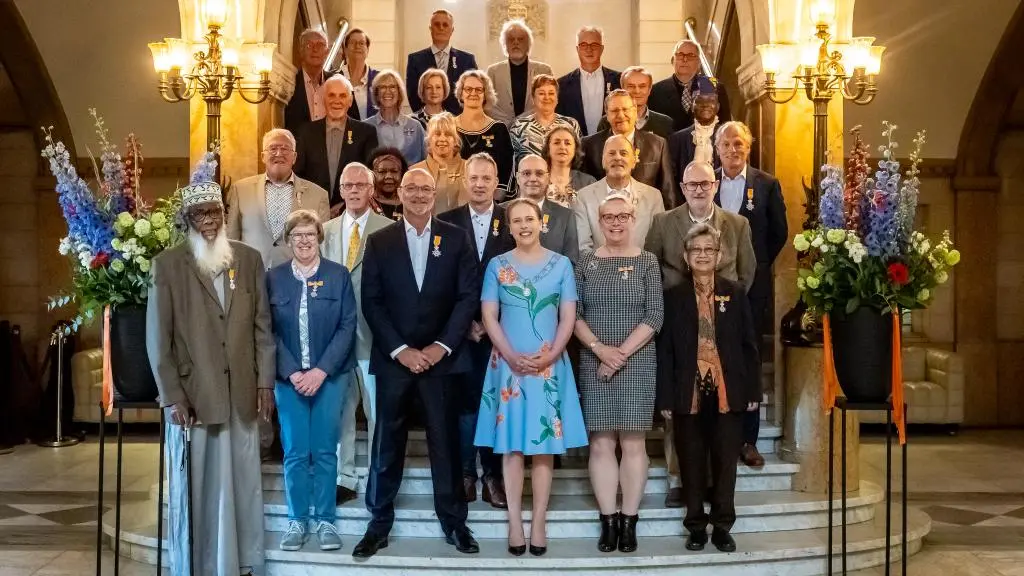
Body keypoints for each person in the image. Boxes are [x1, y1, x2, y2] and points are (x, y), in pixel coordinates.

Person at [147, 181, 274, 575]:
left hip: (241, 395)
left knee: (244, 486)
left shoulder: (249, 260)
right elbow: (157, 338)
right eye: (201, 215)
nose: (210, 222)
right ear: (187, 220)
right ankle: (198, 564)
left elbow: (262, 328)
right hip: (194, 398)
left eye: (215, 214)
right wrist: (171, 396)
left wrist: (265, 383)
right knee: (198, 490)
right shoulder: (168, 265)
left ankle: (244, 562)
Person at [353, 168, 480, 559]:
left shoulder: (456, 239)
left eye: (426, 189)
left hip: (443, 361)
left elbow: (467, 297)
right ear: (400, 193)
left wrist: (442, 346)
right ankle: (378, 523)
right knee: (386, 444)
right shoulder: (380, 241)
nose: (420, 195)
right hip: (395, 361)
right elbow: (371, 301)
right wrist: (400, 350)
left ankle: (454, 522)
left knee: (446, 444)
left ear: (435, 194)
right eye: (412, 189)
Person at [474, 198, 588, 557]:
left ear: (542, 223)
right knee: (511, 447)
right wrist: (510, 356)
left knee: (543, 450)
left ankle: (538, 520)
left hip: (548, 365)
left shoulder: (561, 265)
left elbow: (568, 316)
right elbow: (489, 315)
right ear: (509, 228)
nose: (524, 225)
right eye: (517, 221)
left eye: (530, 219)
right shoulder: (497, 265)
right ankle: (513, 520)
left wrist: (552, 354)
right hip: (508, 366)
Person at [645, 160, 755, 508]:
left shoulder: (737, 224)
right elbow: (651, 267)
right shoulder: (663, 223)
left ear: (716, 185)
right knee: (682, 413)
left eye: (705, 183)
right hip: (677, 325)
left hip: (720, 324)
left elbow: (747, 273)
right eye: (691, 184)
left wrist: (723, 304)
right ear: (682, 186)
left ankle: (714, 490)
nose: (698, 189)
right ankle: (679, 479)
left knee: (720, 424)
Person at [656, 223, 760, 553]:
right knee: (691, 460)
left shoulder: (735, 291)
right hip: (689, 389)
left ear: (720, 255)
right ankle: (696, 526)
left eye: (709, 250)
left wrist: (753, 391)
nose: (702, 255)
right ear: (686, 257)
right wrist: (666, 396)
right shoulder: (673, 297)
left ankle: (722, 526)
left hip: (729, 389)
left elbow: (749, 345)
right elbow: (666, 350)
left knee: (726, 461)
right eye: (696, 250)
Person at [573, 193, 664, 554]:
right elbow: (573, 313)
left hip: (636, 361)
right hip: (594, 359)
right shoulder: (584, 262)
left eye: (622, 215)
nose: (615, 222)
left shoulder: (647, 261)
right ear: (598, 220)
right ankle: (608, 520)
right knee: (601, 442)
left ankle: (629, 521)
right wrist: (600, 351)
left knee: (633, 442)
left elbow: (655, 315)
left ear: (633, 217)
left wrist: (619, 354)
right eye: (608, 217)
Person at [268, 209, 357, 551]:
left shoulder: (338, 276)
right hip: (288, 379)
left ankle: (325, 521)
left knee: (323, 451)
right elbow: (268, 330)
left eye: (309, 234)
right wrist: (292, 371)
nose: (304, 241)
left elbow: (347, 326)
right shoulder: (274, 278)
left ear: (320, 237)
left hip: (330, 377)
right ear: (288, 241)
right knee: (294, 451)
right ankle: (296, 520)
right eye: (297, 235)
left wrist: (321, 371)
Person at [437, 153, 514, 510]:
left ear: (496, 180)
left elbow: (517, 276)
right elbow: (441, 282)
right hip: (460, 333)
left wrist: (491, 322)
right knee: (465, 407)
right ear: (464, 181)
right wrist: (465, 322)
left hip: (503, 333)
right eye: (474, 178)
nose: (480, 184)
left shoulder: (512, 220)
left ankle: (494, 477)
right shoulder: (446, 223)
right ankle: (467, 474)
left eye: (487, 178)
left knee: (497, 406)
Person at [714, 121, 788, 467]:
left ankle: (748, 439)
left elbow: (778, 233)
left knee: (748, 356)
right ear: (717, 148)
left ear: (749, 146)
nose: (733, 149)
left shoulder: (766, 184)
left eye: (739, 144)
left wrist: (754, 268)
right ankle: (716, 434)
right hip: (710, 286)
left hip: (750, 290)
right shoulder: (706, 182)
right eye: (726, 144)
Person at [324, 163, 396, 505]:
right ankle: (345, 476)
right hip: (335, 339)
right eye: (347, 185)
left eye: (360, 185)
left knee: (377, 410)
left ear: (371, 191)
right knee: (341, 409)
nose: (353, 190)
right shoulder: (324, 231)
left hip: (374, 336)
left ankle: (380, 474)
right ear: (341, 191)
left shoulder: (389, 230)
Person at [227, 128, 330, 270]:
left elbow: (322, 247)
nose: (279, 153)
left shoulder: (318, 195)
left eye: (285, 149)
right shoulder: (240, 190)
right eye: (273, 148)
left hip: (297, 278)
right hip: (251, 276)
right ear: (263, 156)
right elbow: (232, 240)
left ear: (294, 157)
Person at [294, 75, 379, 214]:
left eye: (342, 96)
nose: (337, 101)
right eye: (331, 95)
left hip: (350, 211)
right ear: (324, 99)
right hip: (312, 211)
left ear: (350, 101)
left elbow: (370, 174)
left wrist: (344, 205)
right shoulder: (306, 132)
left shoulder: (366, 133)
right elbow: (298, 175)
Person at [582, 89, 677, 210]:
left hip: (645, 218)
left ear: (635, 111)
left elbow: (668, 191)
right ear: (606, 114)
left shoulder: (658, 144)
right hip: (602, 217)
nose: (621, 115)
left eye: (625, 109)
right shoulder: (589, 145)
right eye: (615, 110)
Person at [574, 135, 665, 250]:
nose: (617, 158)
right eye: (611, 153)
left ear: (634, 161)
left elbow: (657, 246)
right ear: (603, 161)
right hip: (599, 266)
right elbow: (584, 247)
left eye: (623, 153)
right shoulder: (584, 197)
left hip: (642, 266)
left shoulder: (653, 197)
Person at [648, 40, 732, 132]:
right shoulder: (656, 91)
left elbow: (726, 126)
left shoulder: (716, 87)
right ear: (672, 60)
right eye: (680, 55)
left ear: (699, 62)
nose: (685, 59)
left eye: (691, 55)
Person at [456, 70, 515, 198]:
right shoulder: (449, 127)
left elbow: (507, 168)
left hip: (492, 199)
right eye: (468, 89)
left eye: (479, 90)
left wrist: (496, 198)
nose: (473, 93)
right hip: (455, 197)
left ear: (485, 94)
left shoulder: (498, 129)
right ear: (461, 94)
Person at [406, 9, 479, 114]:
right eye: (437, 24)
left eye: (445, 25)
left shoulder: (467, 60)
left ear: (452, 30)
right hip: (426, 123)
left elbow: (472, 93)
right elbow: (413, 95)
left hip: (458, 123)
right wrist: (427, 117)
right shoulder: (415, 59)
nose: (441, 28)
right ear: (430, 28)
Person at [556, 26, 621, 137]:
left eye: (594, 45)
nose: (589, 49)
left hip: (611, 147)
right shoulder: (562, 84)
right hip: (576, 149)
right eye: (583, 45)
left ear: (602, 48)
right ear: (577, 49)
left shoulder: (619, 80)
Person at [486, 20, 553, 126]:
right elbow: (488, 104)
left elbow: (548, 101)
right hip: (501, 130)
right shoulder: (493, 71)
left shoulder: (544, 70)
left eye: (521, 39)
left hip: (535, 128)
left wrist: (522, 121)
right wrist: (508, 122)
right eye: (511, 39)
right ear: (505, 44)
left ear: (529, 44)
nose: (515, 42)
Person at [514, 153, 579, 262]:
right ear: (517, 177)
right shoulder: (502, 212)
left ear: (548, 178)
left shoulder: (565, 216)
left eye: (539, 173)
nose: (533, 178)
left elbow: (571, 261)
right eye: (526, 173)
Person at [510, 74, 581, 162]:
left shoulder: (571, 124)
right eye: (541, 93)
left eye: (551, 93)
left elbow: (578, 159)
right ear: (533, 98)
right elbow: (511, 163)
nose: (546, 97)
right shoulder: (519, 126)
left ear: (557, 98)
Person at [410, 112, 468, 214]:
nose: (442, 139)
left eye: (448, 134)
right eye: (437, 134)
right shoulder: (414, 172)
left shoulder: (470, 169)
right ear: (429, 140)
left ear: (455, 140)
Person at [366, 70, 427, 164]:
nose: (388, 91)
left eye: (392, 87)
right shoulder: (366, 127)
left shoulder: (416, 126)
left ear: (399, 93)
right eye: (382, 87)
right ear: (376, 94)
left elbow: (427, 159)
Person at [596, 66, 674, 139]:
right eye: (631, 86)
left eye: (642, 86)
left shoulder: (664, 123)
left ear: (649, 89)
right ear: (622, 88)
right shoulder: (606, 122)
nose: (637, 91)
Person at [668, 74, 722, 178]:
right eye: (699, 100)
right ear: (692, 106)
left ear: (718, 106)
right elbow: (671, 179)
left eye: (711, 100)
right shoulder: (677, 140)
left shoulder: (728, 136)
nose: (705, 104)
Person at [284, 29, 334, 135]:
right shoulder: (289, 82)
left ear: (327, 52)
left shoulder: (336, 82)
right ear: (300, 50)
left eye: (320, 45)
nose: (315, 49)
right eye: (309, 45)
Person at [541, 126, 595, 207]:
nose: (562, 147)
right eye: (556, 142)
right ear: (548, 149)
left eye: (567, 143)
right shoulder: (538, 180)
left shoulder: (588, 182)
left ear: (575, 150)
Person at [339, 28, 379, 121]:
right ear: (345, 49)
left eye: (361, 43)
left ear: (367, 50)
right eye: (353, 42)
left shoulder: (379, 79)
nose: (357, 46)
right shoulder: (334, 78)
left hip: (372, 134)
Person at [369, 146, 408, 220]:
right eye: (382, 171)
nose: (389, 176)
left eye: (394, 171)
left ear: (402, 174)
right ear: (371, 174)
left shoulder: (411, 204)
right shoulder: (364, 203)